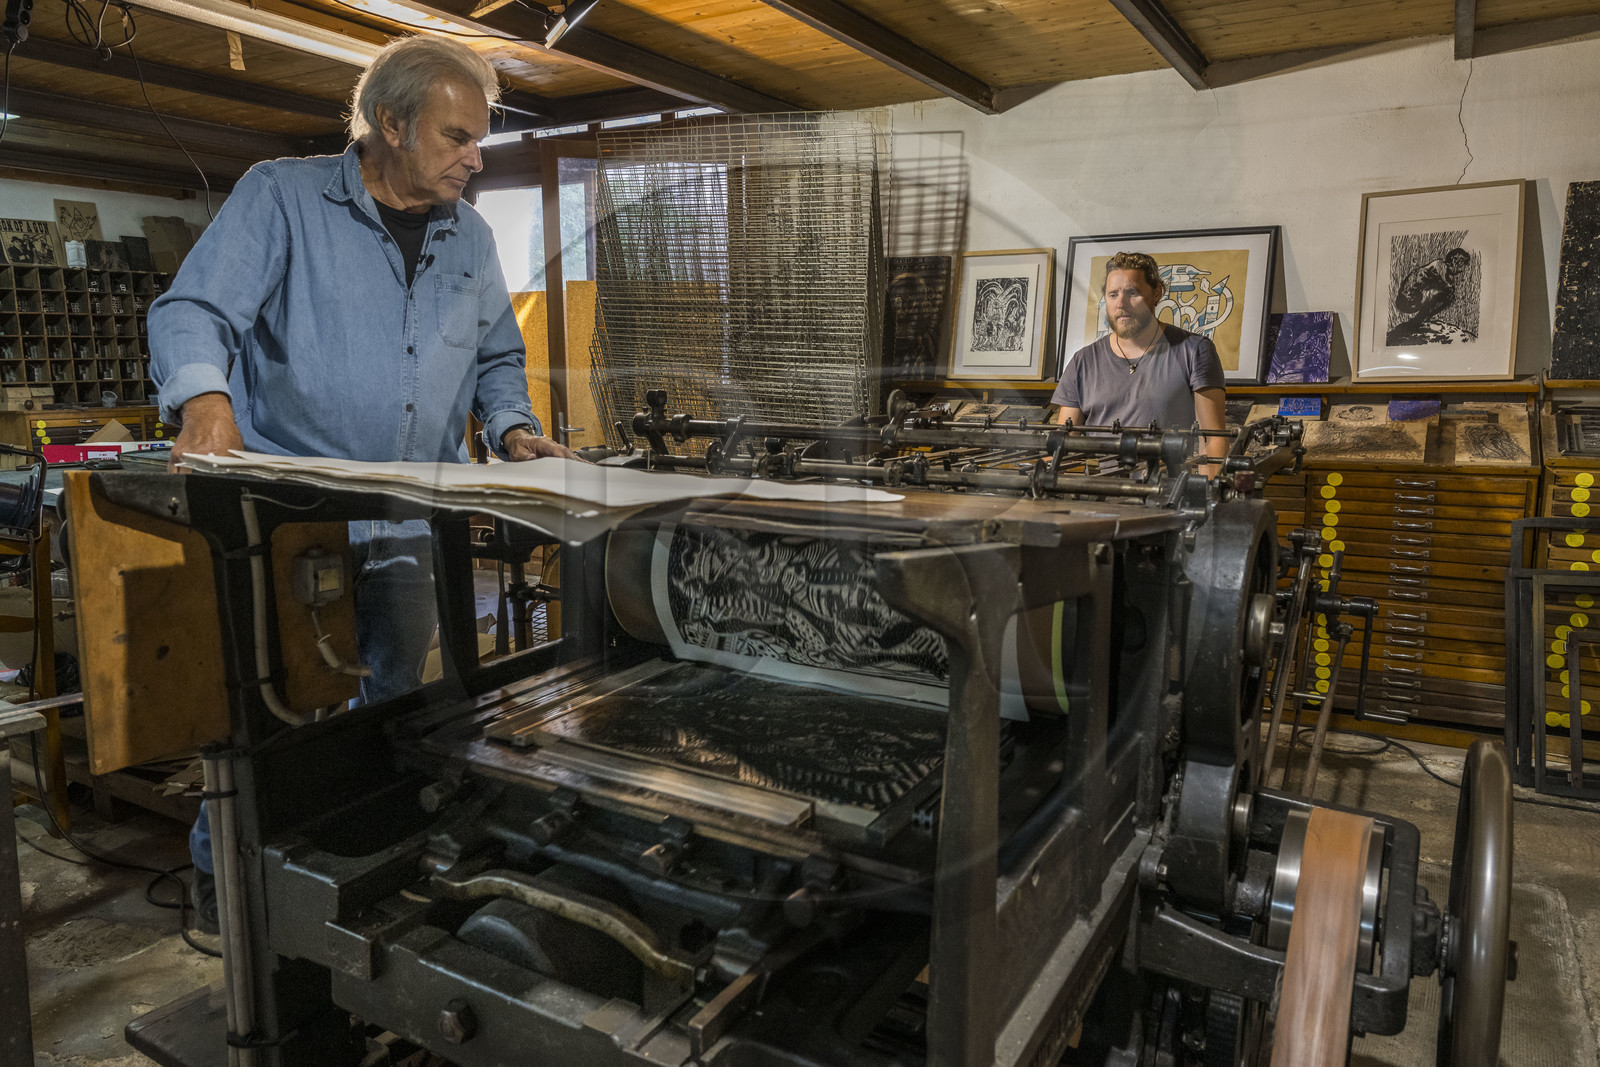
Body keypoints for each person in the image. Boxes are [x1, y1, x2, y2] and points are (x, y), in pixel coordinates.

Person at [147, 34, 576, 934]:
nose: (475, 155)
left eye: (481, 138)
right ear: (390, 122)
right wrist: (206, 400)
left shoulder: (472, 234)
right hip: (295, 525)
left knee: (401, 709)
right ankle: (227, 893)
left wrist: (514, 426)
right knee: (276, 715)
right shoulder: (283, 196)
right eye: (458, 136)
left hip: (415, 523)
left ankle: (362, 868)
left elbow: (498, 356)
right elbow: (194, 310)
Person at [1053, 251, 1227, 467]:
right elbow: (1064, 446)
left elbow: (1212, 439)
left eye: (1132, 292)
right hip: (1100, 494)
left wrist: (1206, 494)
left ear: (1157, 293)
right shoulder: (1083, 361)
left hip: (1169, 493)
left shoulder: (1195, 351)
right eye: (1113, 294)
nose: (1121, 304)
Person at [1387, 247, 1471, 345]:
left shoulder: (1442, 267)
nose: (1462, 269)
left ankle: (1421, 320)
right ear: (1454, 261)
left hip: (1413, 298)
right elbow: (1447, 287)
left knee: (1447, 294)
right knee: (1448, 295)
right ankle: (1419, 321)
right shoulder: (1440, 266)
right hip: (1408, 300)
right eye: (1462, 264)